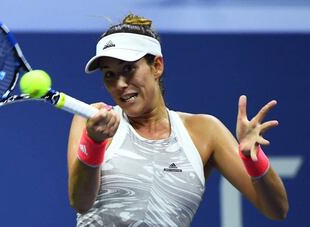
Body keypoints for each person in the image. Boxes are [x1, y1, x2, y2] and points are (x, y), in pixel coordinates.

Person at [67, 14, 289, 226]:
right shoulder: (92, 120)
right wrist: (94, 142)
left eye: (128, 69)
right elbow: (81, 203)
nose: (120, 84)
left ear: (157, 66)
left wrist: (254, 158)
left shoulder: (204, 132)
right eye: (109, 74)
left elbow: (277, 210)